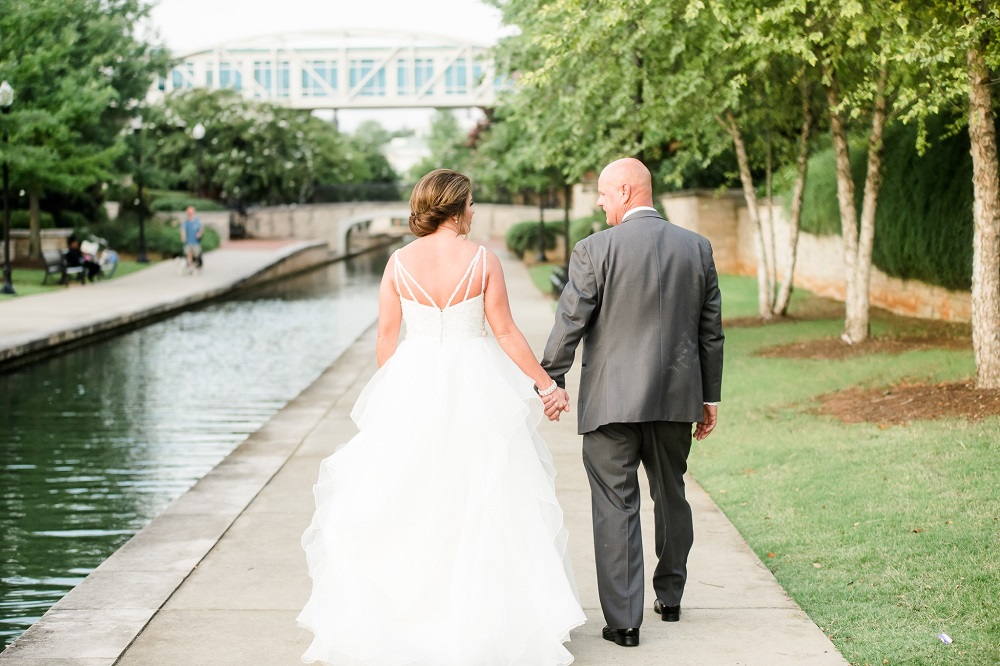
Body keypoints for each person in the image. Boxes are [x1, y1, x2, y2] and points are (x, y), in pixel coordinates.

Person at [297, 169, 586, 665]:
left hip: (412, 383)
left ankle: (408, 616)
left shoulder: (397, 263)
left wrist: (397, 395)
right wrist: (545, 385)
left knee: (413, 498)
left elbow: (387, 338)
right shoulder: (482, 260)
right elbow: (506, 332)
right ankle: (481, 618)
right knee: (483, 495)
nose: (474, 211)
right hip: (477, 388)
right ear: (455, 207)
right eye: (470, 203)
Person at [540, 157, 725, 648]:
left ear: (625, 191)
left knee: (615, 505)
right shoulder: (697, 248)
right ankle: (671, 595)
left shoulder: (593, 250)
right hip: (675, 400)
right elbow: (711, 333)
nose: (598, 201)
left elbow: (570, 322)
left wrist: (550, 378)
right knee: (671, 493)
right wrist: (709, 397)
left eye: (602, 193)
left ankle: (624, 622)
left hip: (609, 403)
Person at [180, 206, 203, 271]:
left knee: (196, 255)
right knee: (189, 254)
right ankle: (190, 267)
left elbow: (201, 229)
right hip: (188, 241)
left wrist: (199, 234)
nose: (190, 213)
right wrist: (183, 237)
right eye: (188, 212)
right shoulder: (185, 222)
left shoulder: (197, 221)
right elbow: (183, 230)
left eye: (191, 212)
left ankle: (197, 266)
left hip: (196, 241)